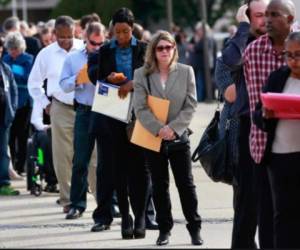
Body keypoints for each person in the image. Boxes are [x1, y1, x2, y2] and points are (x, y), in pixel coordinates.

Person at [133, 30, 203, 246]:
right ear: (153, 51)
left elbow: (191, 104)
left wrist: (173, 128)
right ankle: (164, 229)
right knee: (159, 185)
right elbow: (140, 107)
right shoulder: (141, 74)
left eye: (169, 47)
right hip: (153, 138)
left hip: (179, 137)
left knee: (186, 185)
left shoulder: (186, 71)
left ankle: (194, 228)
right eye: (160, 47)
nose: (165, 51)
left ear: (175, 49)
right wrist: (159, 129)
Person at [87, 7, 148, 239]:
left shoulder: (143, 49)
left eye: (125, 32)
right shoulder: (104, 51)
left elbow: (153, 73)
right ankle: (126, 216)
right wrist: (108, 78)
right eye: (117, 32)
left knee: (140, 168)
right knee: (118, 168)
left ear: (132, 30)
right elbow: (95, 74)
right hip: (113, 114)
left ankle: (141, 215)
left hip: (140, 113)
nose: (121, 36)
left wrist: (134, 82)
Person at [243, 0, 296, 247]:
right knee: (270, 215)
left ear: (290, 19)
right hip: (267, 149)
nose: (268, 19)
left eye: (275, 15)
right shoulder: (253, 53)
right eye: (266, 15)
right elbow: (255, 103)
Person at [221, 0, 269, 248]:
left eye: (268, 14)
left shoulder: (284, 41)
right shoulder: (240, 42)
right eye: (258, 15)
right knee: (247, 202)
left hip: (279, 129)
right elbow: (229, 62)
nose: (265, 20)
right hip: (246, 128)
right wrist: (242, 28)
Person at [28, 16, 83, 213]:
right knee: (62, 155)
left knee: (90, 153)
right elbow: (33, 83)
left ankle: (96, 194)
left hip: (85, 107)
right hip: (59, 106)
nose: (66, 41)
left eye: (69, 36)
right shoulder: (46, 54)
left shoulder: (84, 49)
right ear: (54, 34)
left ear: (75, 32)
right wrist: (45, 104)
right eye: (61, 37)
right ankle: (67, 199)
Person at [253, 31, 300, 248]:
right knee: (282, 215)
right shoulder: (277, 77)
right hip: (279, 157)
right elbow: (258, 113)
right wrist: (265, 114)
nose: (293, 61)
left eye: (298, 55)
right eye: (288, 55)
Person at [59, 21, 106, 219]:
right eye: (93, 43)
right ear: (85, 39)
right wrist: (77, 79)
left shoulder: (109, 55)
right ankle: (77, 204)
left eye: (100, 43)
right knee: (80, 160)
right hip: (85, 111)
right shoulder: (73, 58)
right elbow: (63, 84)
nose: (97, 47)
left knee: (107, 160)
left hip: (105, 111)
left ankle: (109, 204)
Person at [3, 32, 33, 176]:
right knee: (10, 135)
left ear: (21, 48)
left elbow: (28, 77)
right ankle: (11, 166)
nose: (13, 52)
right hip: (9, 102)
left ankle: (21, 166)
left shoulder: (29, 59)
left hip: (25, 101)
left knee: (22, 135)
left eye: (16, 49)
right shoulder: (6, 58)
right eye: (11, 49)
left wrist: (12, 71)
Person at [0, 37, 19, 196]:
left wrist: (12, 110)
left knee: (3, 152)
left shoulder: (5, 69)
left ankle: (4, 183)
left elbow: (13, 92)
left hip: (3, 117)